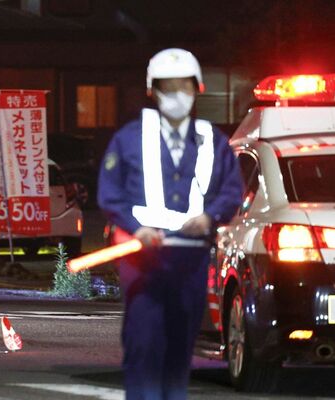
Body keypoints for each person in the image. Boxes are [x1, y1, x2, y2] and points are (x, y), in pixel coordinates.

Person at [97, 49, 243, 399]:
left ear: (198, 89)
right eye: (168, 87)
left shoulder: (214, 141)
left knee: (180, 349)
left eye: (184, 86)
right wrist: (135, 227)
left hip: (191, 261)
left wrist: (210, 216)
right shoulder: (129, 138)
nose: (176, 95)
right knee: (144, 344)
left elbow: (232, 188)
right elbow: (109, 192)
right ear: (153, 91)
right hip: (143, 260)